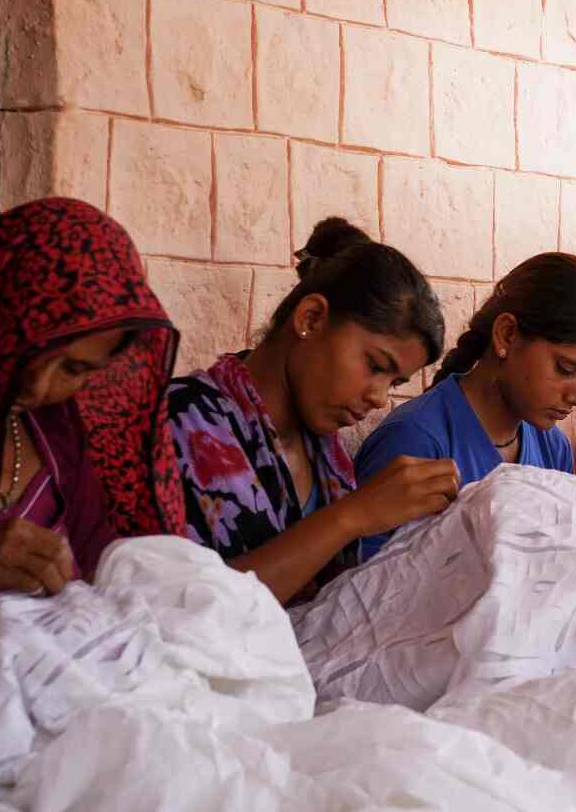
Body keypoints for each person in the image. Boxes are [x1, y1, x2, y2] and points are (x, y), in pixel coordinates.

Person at [167, 218, 460, 605]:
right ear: (311, 319)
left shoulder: (326, 454)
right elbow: (177, 605)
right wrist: (352, 516)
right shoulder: (180, 423)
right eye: (374, 365)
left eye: (393, 383)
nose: (378, 398)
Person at [0, 198, 186, 595]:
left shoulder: (56, 431)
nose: (37, 388)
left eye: (74, 370)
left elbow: (99, 562)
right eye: (30, 349)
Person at [354, 253, 576, 558]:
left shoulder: (553, 448)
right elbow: (372, 587)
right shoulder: (416, 441)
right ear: (507, 335)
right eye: (566, 369)